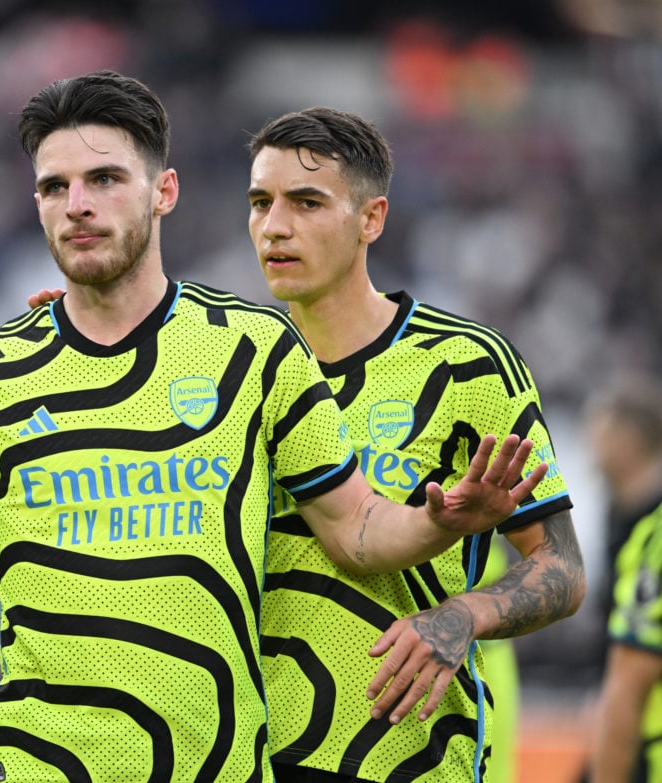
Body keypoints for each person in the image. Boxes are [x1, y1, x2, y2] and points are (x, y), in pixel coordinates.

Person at [0, 72, 546, 783]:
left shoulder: (252, 352)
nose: (77, 205)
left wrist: (439, 518)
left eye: (105, 179)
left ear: (164, 191)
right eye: (53, 186)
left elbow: (356, 530)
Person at [246, 107, 586, 783]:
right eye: (261, 202)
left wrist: (466, 613)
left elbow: (563, 567)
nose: (275, 225)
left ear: (371, 219)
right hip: (238, 755)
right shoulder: (226, 364)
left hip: (405, 756)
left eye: (307, 202)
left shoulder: (467, 366)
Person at [585, 374, 662, 783]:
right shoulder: (618, 512)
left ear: (626, 439)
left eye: (598, 426)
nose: (589, 441)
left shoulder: (652, 529)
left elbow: (634, 670)